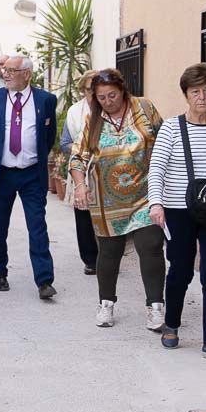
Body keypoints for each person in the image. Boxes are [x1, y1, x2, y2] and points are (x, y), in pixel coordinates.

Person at [147, 63, 206, 363]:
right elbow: (157, 168)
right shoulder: (172, 128)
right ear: (186, 94)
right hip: (177, 209)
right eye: (195, 91)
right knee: (181, 271)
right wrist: (155, 203)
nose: (202, 97)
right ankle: (171, 324)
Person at [68, 69, 165, 330]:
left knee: (152, 246)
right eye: (101, 97)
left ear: (122, 90)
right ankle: (106, 303)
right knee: (109, 253)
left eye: (112, 95)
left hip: (145, 193)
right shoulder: (93, 121)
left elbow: (165, 142)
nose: (108, 101)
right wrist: (80, 186)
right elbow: (77, 157)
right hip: (107, 200)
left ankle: (155, 306)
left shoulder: (144, 108)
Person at [0, 54, 58, 298]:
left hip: (32, 174)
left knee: (37, 226)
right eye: (4, 70)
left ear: (27, 74)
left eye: (12, 70)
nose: (6, 74)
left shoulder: (46, 100)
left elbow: (49, 136)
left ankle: (44, 280)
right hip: (2, 174)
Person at [60, 71, 99, 276]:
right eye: (88, 88)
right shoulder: (75, 111)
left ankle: (109, 256)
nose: (92, 92)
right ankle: (90, 259)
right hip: (82, 168)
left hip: (107, 169)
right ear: (82, 90)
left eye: (95, 87)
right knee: (83, 214)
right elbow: (64, 143)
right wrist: (82, 148)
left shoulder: (113, 107)